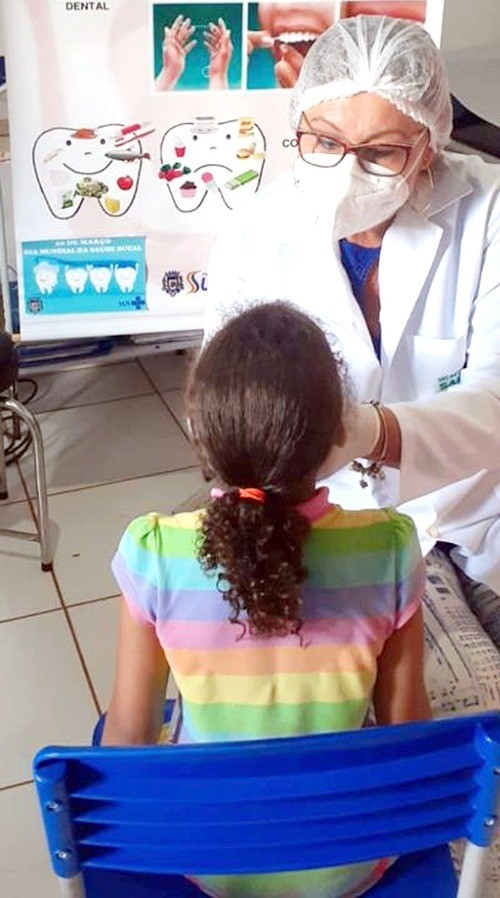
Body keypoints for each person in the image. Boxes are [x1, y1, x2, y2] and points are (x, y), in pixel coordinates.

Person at [204, 15, 500, 898]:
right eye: (325, 141)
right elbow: (227, 387)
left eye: (381, 152)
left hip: (498, 493)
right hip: (340, 506)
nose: (346, 169)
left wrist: (371, 430)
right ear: (299, 123)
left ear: (430, 145)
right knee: (462, 708)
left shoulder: (497, 203)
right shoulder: (257, 224)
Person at [104, 303, 431, 898]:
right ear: (339, 432)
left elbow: (130, 734)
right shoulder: (389, 550)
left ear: (201, 431)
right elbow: (407, 735)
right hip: (346, 865)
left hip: (209, 861)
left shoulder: (155, 556)